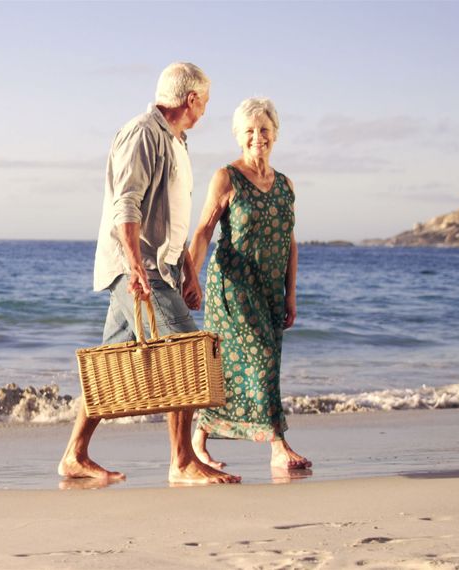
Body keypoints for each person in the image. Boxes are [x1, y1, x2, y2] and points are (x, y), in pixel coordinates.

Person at [58, 62, 240, 485]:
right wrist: (136, 268)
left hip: (161, 268)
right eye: (206, 101)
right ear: (191, 99)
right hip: (136, 268)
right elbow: (127, 203)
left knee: (110, 361)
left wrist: (190, 272)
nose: (207, 109)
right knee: (186, 350)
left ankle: (73, 454)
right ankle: (181, 461)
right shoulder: (143, 133)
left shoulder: (176, 141)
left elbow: (173, 221)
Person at [184, 97, 312, 473]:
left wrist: (291, 293)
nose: (259, 137)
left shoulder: (286, 185)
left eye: (265, 130)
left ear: (275, 134)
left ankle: (198, 439)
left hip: (270, 289)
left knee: (242, 367)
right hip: (234, 285)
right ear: (239, 136)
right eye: (250, 131)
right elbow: (205, 230)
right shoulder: (227, 177)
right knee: (259, 360)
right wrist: (191, 276)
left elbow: (289, 241)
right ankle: (277, 444)